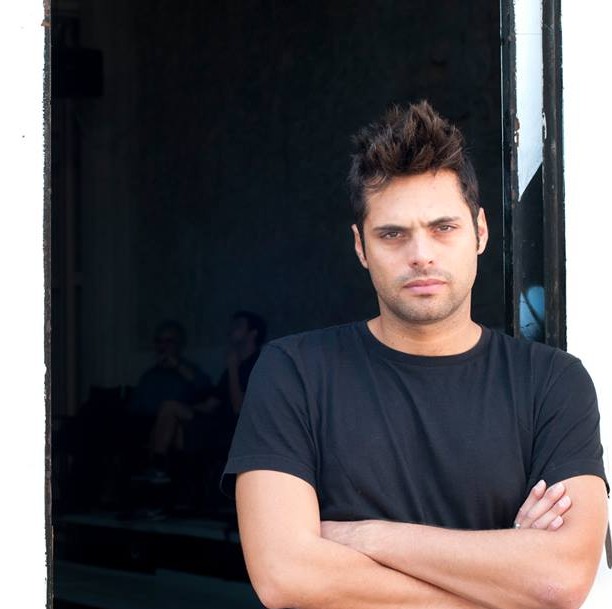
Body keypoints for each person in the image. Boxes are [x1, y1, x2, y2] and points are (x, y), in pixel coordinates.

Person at [221, 101, 609, 609]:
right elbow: (285, 576)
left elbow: (561, 579)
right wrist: (504, 578)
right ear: (361, 247)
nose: (421, 254)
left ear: (480, 232)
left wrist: (365, 536)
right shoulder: (293, 372)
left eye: (443, 228)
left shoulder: (553, 382)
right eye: (392, 234)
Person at [130, 320, 210, 478]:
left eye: (168, 341)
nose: (163, 346)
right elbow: (136, 406)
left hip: (182, 425)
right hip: (149, 423)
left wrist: (178, 367)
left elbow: (206, 390)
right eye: (159, 341)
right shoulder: (149, 376)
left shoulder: (189, 371)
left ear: (178, 344)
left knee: (173, 418)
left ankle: (160, 468)